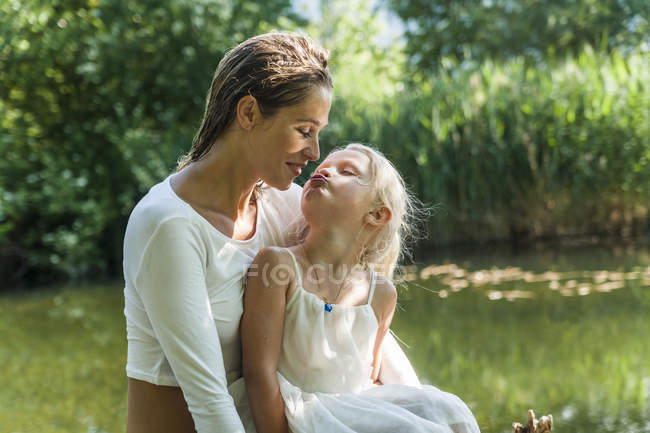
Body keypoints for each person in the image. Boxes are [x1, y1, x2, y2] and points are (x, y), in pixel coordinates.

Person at [122, 33, 418, 433]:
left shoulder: (288, 204)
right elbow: (210, 402)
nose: (316, 153)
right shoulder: (169, 226)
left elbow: (354, 320)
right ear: (248, 113)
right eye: (303, 129)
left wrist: (421, 409)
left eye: (318, 132)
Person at [239, 143, 481, 433]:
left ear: (377, 214)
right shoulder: (277, 266)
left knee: (450, 411)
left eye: (348, 171)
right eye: (321, 168)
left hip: (354, 406)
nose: (325, 170)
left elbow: (369, 374)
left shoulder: (381, 293)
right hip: (299, 413)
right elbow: (258, 374)